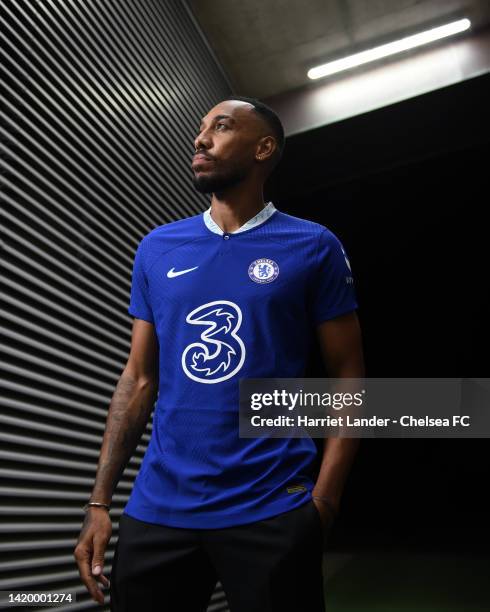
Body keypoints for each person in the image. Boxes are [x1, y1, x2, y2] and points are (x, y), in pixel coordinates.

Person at [74, 96, 365, 611]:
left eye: (221, 127)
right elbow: (139, 379)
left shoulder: (312, 245)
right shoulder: (158, 247)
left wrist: (325, 502)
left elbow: (349, 379)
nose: (200, 139)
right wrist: (99, 502)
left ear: (263, 148)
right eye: (201, 127)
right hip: (160, 507)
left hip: (271, 505)